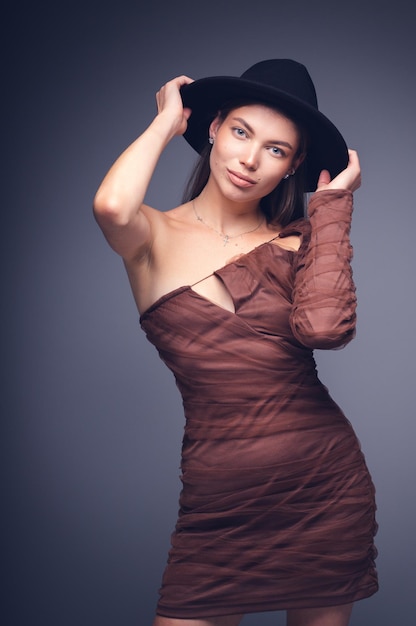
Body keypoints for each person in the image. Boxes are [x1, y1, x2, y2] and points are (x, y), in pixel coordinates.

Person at [93, 59, 378, 626]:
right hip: (219, 503)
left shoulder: (299, 243)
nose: (249, 160)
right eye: (242, 133)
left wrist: (332, 210)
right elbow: (112, 207)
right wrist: (166, 124)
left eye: (276, 149)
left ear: (294, 164)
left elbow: (325, 329)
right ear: (215, 128)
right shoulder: (151, 234)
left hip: (324, 488)